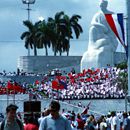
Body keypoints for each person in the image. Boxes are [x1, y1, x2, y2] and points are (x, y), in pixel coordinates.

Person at [81, 0, 118, 71]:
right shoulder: (98, 15)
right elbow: (93, 22)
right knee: (92, 28)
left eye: (102, 5)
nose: (101, 6)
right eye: (100, 5)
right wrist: (102, 26)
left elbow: (115, 27)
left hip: (110, 36)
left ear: (105, 5)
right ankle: (95, 46)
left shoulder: (111, 14)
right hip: (101, 34)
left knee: (105, 44)